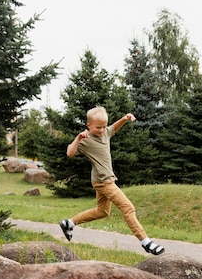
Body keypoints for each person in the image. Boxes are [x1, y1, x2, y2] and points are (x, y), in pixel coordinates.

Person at [59, 106, 164, 255]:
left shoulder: (105, 133)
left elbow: (114, 127)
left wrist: (125, 118)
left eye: (103, 127)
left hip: (103, 181)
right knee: (128, 208)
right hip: (104, 182)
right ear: (89, 125)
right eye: (98, 128)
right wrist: (78, 138)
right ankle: (146, 242)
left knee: (102, 211)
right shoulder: (85, 140)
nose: (101, 130)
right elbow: (70, 153)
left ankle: (69, 223)